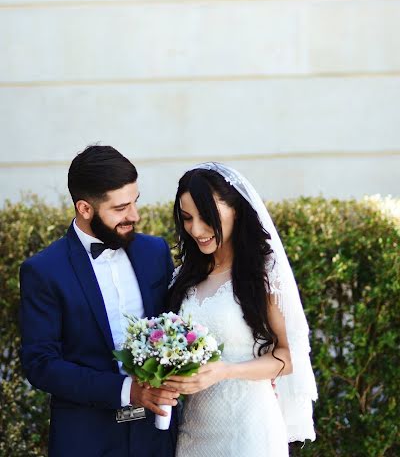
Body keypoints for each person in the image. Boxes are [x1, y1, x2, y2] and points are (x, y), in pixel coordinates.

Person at [19, 145, 179, 457]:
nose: (134, 215)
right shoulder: (43, 271)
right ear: (85, 208)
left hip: (156, 435)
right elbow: (41, 364)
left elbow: (175, 328)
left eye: (135, 202)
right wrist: (125, 391)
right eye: (120, 208)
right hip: (86, 440)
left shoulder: (155, 252)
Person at [166, 162, 318, 457]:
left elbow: (287, 356)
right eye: (187, 218)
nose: (196, 229)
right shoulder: (183, 276)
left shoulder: (264, 272)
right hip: (193, 431)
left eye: (206, 216)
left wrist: (227, 371)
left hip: (250, 429)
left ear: (235, 208)